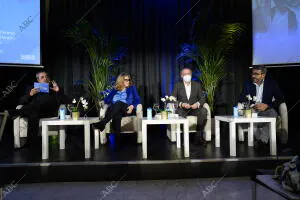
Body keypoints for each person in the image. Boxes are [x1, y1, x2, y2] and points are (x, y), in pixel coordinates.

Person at [6, 71, 70, 149]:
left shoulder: (54, 88)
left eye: (46, 76)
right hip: (34, 111)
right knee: (34, 112)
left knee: (35, 107)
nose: (45, 78)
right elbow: (21, 102)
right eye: (42, 77)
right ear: (38, 80)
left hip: (48, 112)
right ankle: (30, 144)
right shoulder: (31, 88)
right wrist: (30, 94)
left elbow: (65, 102)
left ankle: (14, 113)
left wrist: (58, 91)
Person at [238, 65, 285, 149]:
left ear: (263, 75)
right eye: (252, 74)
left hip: (266, 109)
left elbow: (280, 98)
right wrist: (251, 105)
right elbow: (241, 98)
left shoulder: (271, 84)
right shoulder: (247, 84)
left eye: (256, 74)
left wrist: (267, 105)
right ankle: (262, 141)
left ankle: (261, 141)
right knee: (248, 115)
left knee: (273, 114)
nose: (253, 76)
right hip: (252, 110)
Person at [92, 72, 141, 150]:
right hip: (115, 110)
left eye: (129, 79)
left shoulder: (132, 88)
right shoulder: (115, 89)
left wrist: (132, 106)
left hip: (126, 109)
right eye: (126, 80)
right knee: (117, 115)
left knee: (118, 103)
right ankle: (118, 143)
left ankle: (102, 123)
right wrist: (103, 101)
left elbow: (138, 99)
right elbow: (108, 98)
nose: (128, 81)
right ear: (121, 80)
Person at [172, 68, 207, 145]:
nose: (187, 76)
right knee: (179, 113)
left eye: (189, 74)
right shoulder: (177, 85)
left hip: (194, 108)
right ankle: (185, 137)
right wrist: (182, 104)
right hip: (182, 109)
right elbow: (172, 99)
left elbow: (203, 98)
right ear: (181, 76)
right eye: (185, 74)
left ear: (191, 75)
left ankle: (198, 137)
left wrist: (197, 104)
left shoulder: (197, 85)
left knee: (204, 111)